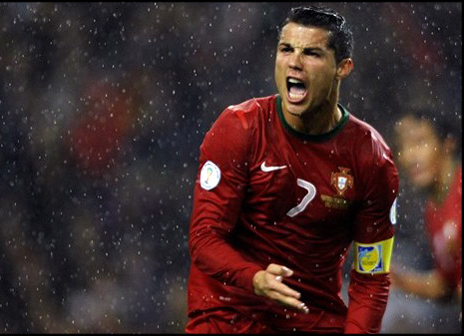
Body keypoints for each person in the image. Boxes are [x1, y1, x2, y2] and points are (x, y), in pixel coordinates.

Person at [186, 6, 399, 333]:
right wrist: (254, 278)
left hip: (311, 318)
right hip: (228, 314)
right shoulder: (240, 128)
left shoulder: (371, 158)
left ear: (342, 68)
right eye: (286, 49)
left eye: (311, 53)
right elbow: (205, 240)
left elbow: (371, 279)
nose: (294, 62)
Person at [391, 110, 462, 322]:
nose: (410, 155)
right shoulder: (433, 212)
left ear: (448, 143)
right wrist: (397, 279)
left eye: (419, 142)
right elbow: (448, 286)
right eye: (403, 146)